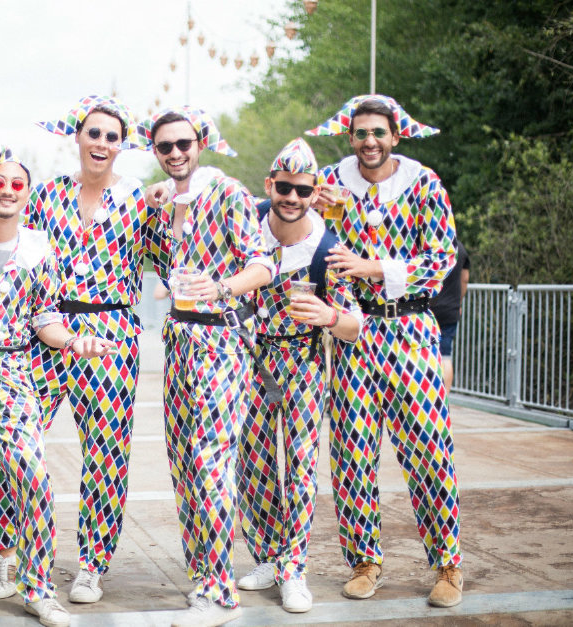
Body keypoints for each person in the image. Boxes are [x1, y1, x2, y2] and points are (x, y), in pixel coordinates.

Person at [0, 95, 152, 604]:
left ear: (122, 144)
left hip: (110, 333)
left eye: (112, 135)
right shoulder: (49, 194)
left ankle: (90, 564)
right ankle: (5, 556)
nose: (102, 143)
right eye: (94, 133)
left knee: (106, 452)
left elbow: (178, 250)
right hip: (46, 326)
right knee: (9, 444)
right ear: (77, 137)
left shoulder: (141, 201)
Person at [0, 141, 116, 626]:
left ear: (27, 194)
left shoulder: (39, 249)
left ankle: (36, 586)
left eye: (17, 185)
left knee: (30, 477)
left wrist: (75, 342)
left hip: (12, 372)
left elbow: (44, 318)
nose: (7, 191)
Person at [306, 94, 463, 607]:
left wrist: (375, 267)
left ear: (395, 135)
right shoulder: (331, 184)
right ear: (349, 137)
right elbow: (325, 256)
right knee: (352, 451)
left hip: (412, 327)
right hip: (354, 329)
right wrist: (343, 308)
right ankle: (364, 562)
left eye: (378, 132)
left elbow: (441, 260)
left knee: (428, 448)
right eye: (360, 133)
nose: (369, 141)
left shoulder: (423, 183)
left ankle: (447, 564)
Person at [141, 107, 274, 627]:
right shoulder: (166, 204)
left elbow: (264, 265)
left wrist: (221, 288)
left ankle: (220, 595)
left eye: (183, 144)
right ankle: (204, 580)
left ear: (201, 143)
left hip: (221, 341)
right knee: (185, 466)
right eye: (165, 147)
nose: (175, 153)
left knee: (211, 464)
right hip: (178, 341)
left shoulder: (229, 193)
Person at [235, 138, 361, 614]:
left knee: (302, 466)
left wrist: (328, 316)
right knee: (255, 465)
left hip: (304, 363)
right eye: (283, 188)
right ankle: (267, 555)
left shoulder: (327, 248)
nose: (291, 198)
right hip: (251, 361)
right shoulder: (246, 228)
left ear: (315, 192)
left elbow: (355, 327)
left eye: (302, 190)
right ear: (270, 185)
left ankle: (294, 568)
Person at [429, 240, 470, 389]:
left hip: (427, 308)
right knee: (445, 356)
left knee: (426, 354)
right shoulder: (460, 248)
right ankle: (444, 400)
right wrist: (459, 302)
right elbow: (464, 279)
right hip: (450, 309)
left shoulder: (431, 244)